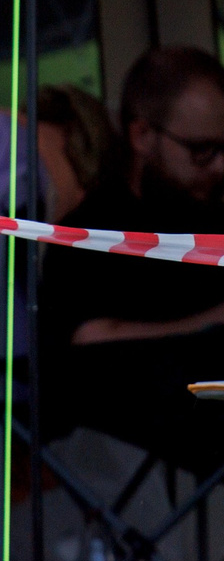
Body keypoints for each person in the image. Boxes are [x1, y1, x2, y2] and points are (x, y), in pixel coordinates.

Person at [40, 47, 224, 470]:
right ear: (141, 136)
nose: (220, 167)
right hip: (131, 420)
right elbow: (88, 340)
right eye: (202, 150)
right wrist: (210, 323)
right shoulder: (91, 232)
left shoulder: (209, 217)